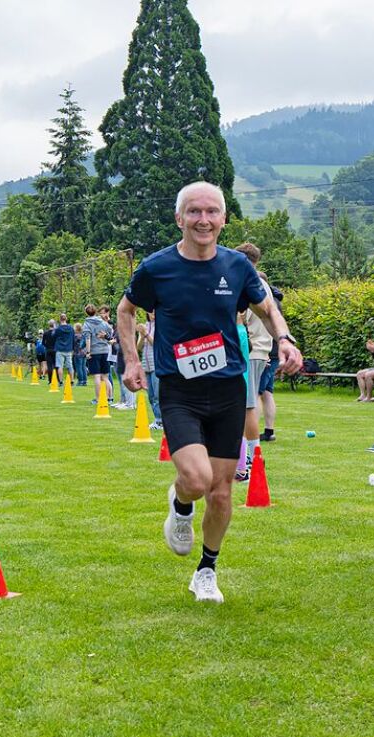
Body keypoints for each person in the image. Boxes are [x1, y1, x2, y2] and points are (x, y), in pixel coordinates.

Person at [117, 181, 302, 604]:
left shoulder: (237, 266)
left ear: (223, 219)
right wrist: (130, 360)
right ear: (180, 218)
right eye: (195, 212)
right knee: (197, 480)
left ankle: (206, 570)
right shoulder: (156, 267)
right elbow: (126, 311)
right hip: (180, 389)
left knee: (221, 492)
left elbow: (267, 306)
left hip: (227, 391)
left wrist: (285, 339)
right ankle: (181, 504)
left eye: (212, 212)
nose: (204, 220)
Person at [236, 243, 272, 479]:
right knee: (249, 404)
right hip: (259, 350)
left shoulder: (251, 283)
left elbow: (240, 320)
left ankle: (250, 460)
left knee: (247, 407)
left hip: (250, 351)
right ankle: (248, 457)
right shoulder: (261, 283)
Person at [259, 276, 283, 442]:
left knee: (255, 394)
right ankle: (269, 431)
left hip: (265, 350)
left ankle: (249, 435)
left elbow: (266, 325)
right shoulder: (276, 300)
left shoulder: (264, 299)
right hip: (273, 349)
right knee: (267, 392)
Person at [137, 311, 162, 428]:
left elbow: (158, 344)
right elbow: (139, 347)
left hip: (157, 364)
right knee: (151, 395)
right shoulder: (145, 326)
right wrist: (142, 336)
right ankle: (157, 420)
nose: (153, 314)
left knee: (158, 395)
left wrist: (146, 334)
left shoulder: (162, 326)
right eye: (151, 312)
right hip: (146, 365)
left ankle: (161, 421)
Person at [82, 304, 112, 402]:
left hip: (95, 352)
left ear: (86, 312)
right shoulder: (103, 322)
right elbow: (110, 331)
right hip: (105, 350)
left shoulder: (86, 324)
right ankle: (109, 397)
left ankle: (99, 398)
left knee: (97, 376)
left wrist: (88, 352)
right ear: (95, 311)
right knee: (106, 376)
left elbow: (88, 339)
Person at [53, 312, 75, 385]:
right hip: (68, 348)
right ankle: (72, 381)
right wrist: (73, 348)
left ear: (60, 319)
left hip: (59, 349)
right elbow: (73, 338)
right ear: (66, 319)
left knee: (60, 366)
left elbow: (54, 336)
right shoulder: (71, 328)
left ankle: (61, 381)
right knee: (70, 366)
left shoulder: (58, 329)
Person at [41, 319, 57, 384]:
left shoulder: (46, 333)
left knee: (49, 365)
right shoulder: (56, 333)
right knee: (56, 365)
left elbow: (43, 342)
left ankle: (50, 380)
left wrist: (47, 346)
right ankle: (57, 379)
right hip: (55, 350)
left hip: (48, 350)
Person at [73, 322, 88, 386]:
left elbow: (73, 344)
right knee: (83, 367)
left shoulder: (75, 336)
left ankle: (80, 381)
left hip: (77, 353)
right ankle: (84, 381)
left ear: (76, 328)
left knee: (78, 367)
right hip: (84, 352)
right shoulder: (83, 335)